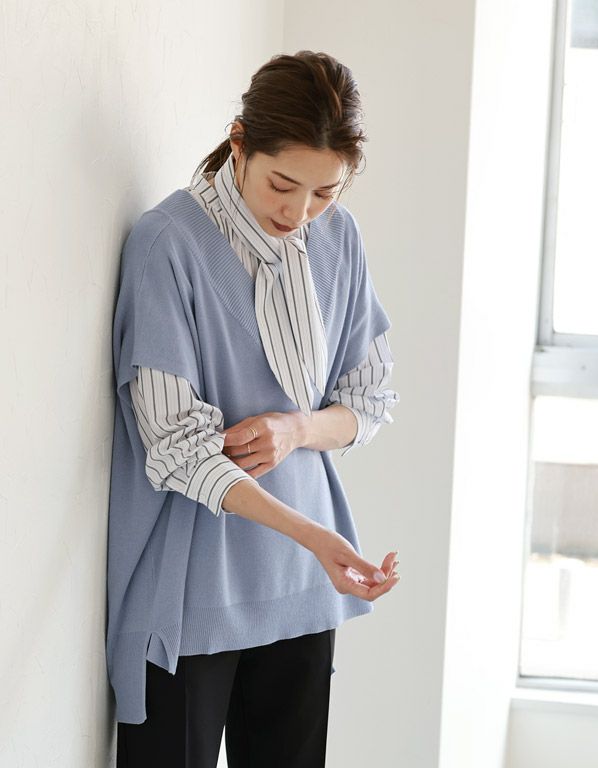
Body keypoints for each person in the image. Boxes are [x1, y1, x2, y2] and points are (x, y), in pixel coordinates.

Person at [107, 49, 401, 767]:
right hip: (194, 591)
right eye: (282, 184)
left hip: (302, 586)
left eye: (325, 191)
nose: (298, 213)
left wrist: (297, 429)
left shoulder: (339, 239)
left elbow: (368, 398)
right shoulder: (168, 244)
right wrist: (315, 537)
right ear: (239, 143)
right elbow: (177, 447)